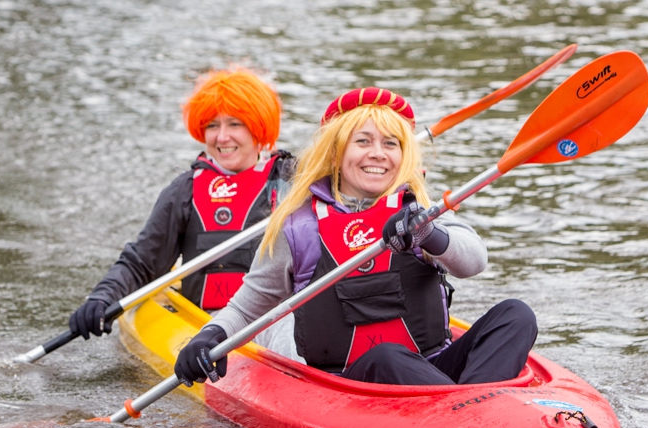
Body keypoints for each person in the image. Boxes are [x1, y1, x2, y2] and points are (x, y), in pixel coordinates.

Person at [174, 87, 537, 386]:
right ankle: (467, 414)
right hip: (352, 385)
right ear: (336, 153)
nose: (377, 154)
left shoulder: (419, 212)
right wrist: (210, 336)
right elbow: (249, 305)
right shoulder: (298, 227)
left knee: (516, 315)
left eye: (391, 143)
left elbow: (475, 260)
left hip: (433, 366)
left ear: (403, 155)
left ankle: (476, 405)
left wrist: (429, 234)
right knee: (385, 357)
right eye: (362, 141)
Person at [69, 68, 296, 347]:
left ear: (258, 127)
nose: (222, 137)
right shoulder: (185, 190)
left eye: (235, 124)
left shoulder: (292, 183)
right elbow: (142, 262)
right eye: (213, 125)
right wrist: (101, 298)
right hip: (205, 323)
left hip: (273, 321)